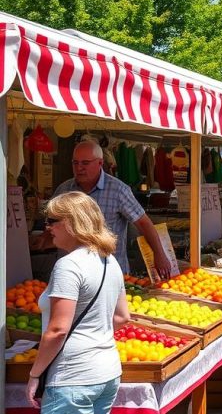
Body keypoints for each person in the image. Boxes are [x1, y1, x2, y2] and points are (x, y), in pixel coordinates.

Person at [27, 192, 130, 413]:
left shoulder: (68, 266)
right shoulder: (109, 260)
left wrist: (35, 374)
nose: (48, 227)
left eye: (52, 221)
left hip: (72, 377)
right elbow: (122, 317)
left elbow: (57, 330)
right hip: (108, 371)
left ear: (72, 223)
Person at [53, 141, 173, 278]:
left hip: (109, 272)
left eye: (85, 163)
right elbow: (53, 225)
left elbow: (144, 223)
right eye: (75, 163)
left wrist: (159, 254)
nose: (79, 167)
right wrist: (42, 240)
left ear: (100, 163)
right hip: (72, 272)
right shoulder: (64, 190)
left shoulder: (118, 190)